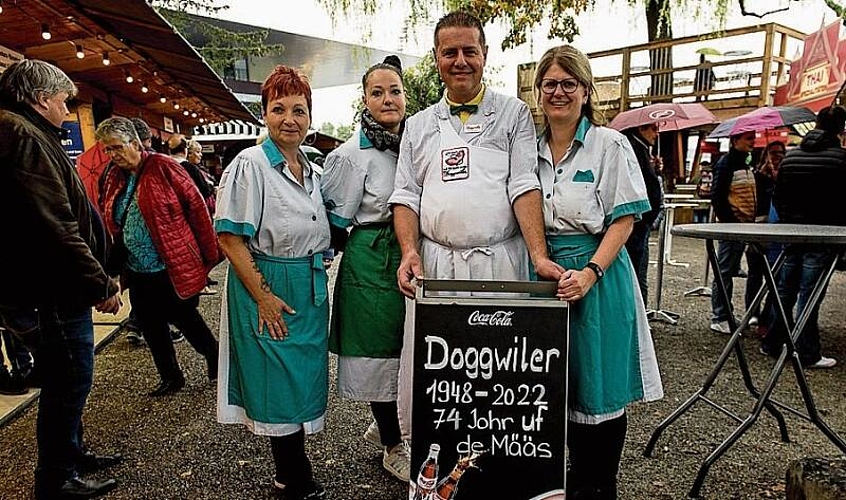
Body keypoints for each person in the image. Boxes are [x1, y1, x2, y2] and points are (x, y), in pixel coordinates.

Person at [389, 10, 562, 441]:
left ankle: (500, 459)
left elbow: (524, 184)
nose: (461, 60)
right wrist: (410, 251)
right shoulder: (418, 125)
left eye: (470, 51)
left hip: (499, 263)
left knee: (500, 366)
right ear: (436, 58)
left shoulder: (514, 113)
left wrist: (538, 255)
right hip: (436, 266)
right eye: (451, 52)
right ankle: (436, 458)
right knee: (440, 368)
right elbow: (406, 196)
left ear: (485, 54)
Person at [533, 45, 664, 500]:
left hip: (599, 274)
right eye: (550, 84)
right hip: (545, 276)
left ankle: (598, 486)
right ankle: (557, 485)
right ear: (538, 92)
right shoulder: (527, 149)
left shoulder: (610, 144)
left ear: (586, 92)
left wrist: (589, 272)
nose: (559, 92)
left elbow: (624, 220)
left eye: (570, 83)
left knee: (598, 386)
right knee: (549, 384)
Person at [0, 59, 122, 499]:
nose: (69, 111)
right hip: (49, 290)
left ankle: (72, 454)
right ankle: (56, 478)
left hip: (47, 287)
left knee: (66, 377)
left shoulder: (22, 132)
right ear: (39, 99)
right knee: (68, 380)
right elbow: (57, 226)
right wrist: (100, 285)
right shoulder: (23, 136)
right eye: (63, 101)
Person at [216, 65, 329, 500]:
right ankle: (292, 478)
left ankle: (292, 472)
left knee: (300, 380)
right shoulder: (252, 164)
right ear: (264, 114)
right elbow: (230, 238)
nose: (289, 119)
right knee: (277, 381)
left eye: (298, 110)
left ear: (309, 116)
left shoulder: (310, 167)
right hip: (270, 282)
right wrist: (263, 297)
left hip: (308, 284)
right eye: (278, 109)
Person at [321, 55, 410, 482]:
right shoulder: (349, 155)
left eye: (394, 90)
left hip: (412, 249)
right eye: (378, 92)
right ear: (365, 99)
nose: (387, 99)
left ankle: (391, 422)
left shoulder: (418, 141)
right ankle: (393, 443)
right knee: (379, 351)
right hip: (372, 255)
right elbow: (335, 225)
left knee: (411, 345)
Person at [97, 117, 220, 397]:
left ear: (135, 143)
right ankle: (171, 377)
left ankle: (214, 355)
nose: (112, 154)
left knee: (186, 318)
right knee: (151, 327)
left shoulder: (164, 167)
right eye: (107, 150)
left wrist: (208, 257)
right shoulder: (114, 175)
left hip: (170, 264)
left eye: (116, 147)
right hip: (137, 267)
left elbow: (198, 211)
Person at [761, 106, 846, 368]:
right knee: (810, 293)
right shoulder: (842, 159)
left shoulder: (792, 157)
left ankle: (773, 343)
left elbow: (779, 195)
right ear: (841, 130)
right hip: (824, 235)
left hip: (792, 233)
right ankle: (807, 351)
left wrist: (788, 220)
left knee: (785, 289)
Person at [709, 130, 758, 334]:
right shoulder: (726, 163)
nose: (752, 142)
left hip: (742, 224)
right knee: (724, 271)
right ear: (735, 140)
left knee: (728, 269)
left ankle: (725, 314)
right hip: (733, 226)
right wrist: (730, 223)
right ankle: (720, 315)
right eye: (748, 139)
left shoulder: (744, 162)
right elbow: (718, 196)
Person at [745, 140, 785, 328]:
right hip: (758, 225)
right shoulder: (756, 175)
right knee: (755, 272)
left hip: (776, 228)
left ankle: (768, 317)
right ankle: (752, 311)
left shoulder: (786, 175)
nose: (777, 156)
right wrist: (765, 178)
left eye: (780, 153)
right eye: (773, 152)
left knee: (775, 275)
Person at [622, 123, 663, 305]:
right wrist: (647, 219)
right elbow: (644, 186)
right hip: (638, 224)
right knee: (636, 274)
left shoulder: (642, 149)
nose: (656, 133)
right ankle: (639, 318)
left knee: (639, 273)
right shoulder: (634, 149)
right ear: (641, 129)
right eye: (653, 129)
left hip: (642, 222)